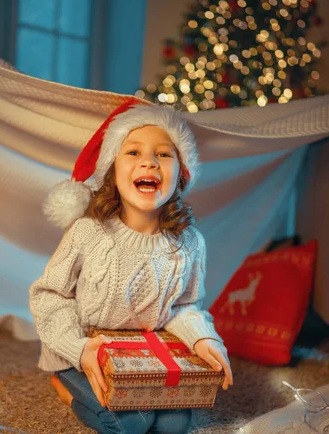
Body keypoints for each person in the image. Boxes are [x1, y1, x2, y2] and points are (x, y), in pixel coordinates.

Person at [29, 99, 233, 434]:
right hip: (85, 348)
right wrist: (76, 349)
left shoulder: (190, 243)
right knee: (132, 425)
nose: (149, 162)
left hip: (146, 357)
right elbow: (48, 296)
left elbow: (183, 306)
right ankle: (65, 387)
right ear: (112, 169)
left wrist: (202, 339)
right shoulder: (88, 231)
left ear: (180, 174)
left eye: (164, 154)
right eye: (134, 152)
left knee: (174, 424)